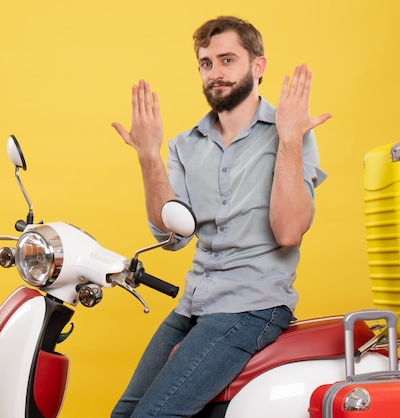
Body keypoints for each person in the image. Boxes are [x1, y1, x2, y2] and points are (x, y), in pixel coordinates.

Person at [110, 15, 331, 418]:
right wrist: (148, 156)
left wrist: (289, 140)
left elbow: (289, 231)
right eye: (207, 63)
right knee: (123, 415)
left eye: (227, 60)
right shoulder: (184, 146)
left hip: (253, 306)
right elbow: (172, 237)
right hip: (196, 303)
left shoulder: (289, 132)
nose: (216, 73)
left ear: (257, 66)